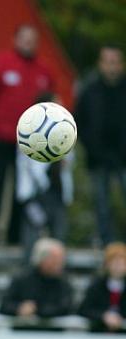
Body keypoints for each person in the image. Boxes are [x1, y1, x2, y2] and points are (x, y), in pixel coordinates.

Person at [0, 24, 54, 244]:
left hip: (30, 141)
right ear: (15, 40)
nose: (28, 43)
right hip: (4, 135)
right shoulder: (2, 63)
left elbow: (51, 104)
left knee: (23, 187)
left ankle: (15, 233)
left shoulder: (43, 70)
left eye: (32, 40)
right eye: (24, 39)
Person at [75, 46, 126, 246]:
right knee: (101, 202)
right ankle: (106, 241)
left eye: (115, 62)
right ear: (100, 64)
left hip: (124, 156)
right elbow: (80, 122)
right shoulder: (89, 90)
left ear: (121, 64)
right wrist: (92, 148)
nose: (112, 67)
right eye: (108, 62)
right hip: (98, 157)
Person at [16, 94, 74, 262]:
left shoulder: (66, 132)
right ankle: (29, 269)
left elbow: (69, 162)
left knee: (59, 235)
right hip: (36, 193)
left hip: (57, 192)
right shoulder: (28, 131)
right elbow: (31, 166)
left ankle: (58, 268)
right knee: (33, 236)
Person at [0, 237, 74, 319]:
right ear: (42, 259)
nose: (59, 263)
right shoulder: (22, 278)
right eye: (54, 259)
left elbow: (66, 308)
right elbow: (4, 305)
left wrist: (37, 310)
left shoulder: (64, 282)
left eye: (61, 259)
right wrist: (19, 308)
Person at [78, 242, 126, 333]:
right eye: (114, 262)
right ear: (107, 264)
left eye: (121, 263)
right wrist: (104, 316)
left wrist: (119, 317)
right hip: (98, 332)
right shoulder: (97, 285)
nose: (118, 266)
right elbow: (84, 309)